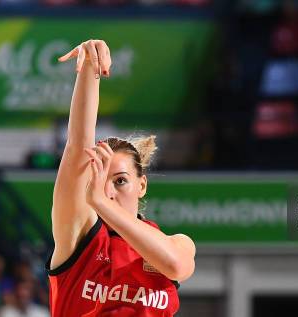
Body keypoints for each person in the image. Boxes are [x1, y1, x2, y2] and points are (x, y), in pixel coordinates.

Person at [46, 39, 195, 316]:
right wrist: (91, 68)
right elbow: (77, 145)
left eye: (121, 180)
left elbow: (176, 266)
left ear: (142, 185)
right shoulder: (78, 236)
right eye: (102, 181)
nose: (110, 191)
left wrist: (102, 203)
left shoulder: (177, 243)